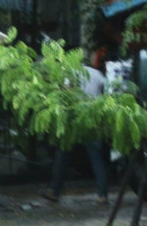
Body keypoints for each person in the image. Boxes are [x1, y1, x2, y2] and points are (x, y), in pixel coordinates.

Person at [43, 62, 108, 204]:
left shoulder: (71, 73)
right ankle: (102, 195)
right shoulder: (97, 74)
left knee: (62, 155)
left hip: (74, 120)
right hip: (93, 120)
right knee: (96, 158)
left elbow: (66, 93)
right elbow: (107, 89)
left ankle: (54, 191)